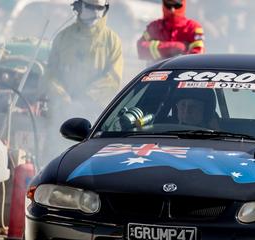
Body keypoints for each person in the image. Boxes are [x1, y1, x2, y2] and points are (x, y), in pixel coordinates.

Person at [42, 0, 123, 161]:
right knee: (54, 157)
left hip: (95, 116)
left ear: (105, 10)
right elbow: (50, 74)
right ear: (78, 7)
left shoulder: (111, 40)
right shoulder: (63, 37)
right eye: (90, 7)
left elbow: (113, 79)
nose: (94, 12)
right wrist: (63, 97)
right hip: (62, 112)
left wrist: (83, 100)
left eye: (99, 8)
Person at [137, 0, 205, 63]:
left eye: (176, 5)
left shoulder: (193, 27)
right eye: (169, 5)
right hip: (157, 72)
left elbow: (198, 55)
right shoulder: (154, 26)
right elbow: (141, 49)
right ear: (163, 4)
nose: (172, 10)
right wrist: (173, 47)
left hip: (183, 73)